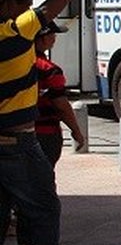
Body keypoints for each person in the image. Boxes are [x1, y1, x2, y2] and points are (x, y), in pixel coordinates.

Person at [0, 0, 80, 245]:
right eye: (24, 2)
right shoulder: (17, 31)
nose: (30, 7)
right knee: (45, 213)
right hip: (17, 141)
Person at [33, 21, 86, 165]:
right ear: (44, 38)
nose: (55, 38)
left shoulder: (14, 64)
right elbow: (61, 106)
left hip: (18, 132)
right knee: (43, 181)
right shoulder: (50, 70)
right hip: (45, 134)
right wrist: (76, 131)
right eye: (53, 34)